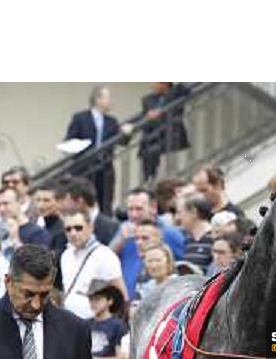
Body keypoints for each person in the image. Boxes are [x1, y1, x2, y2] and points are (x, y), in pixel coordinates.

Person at [65, 84, 132, 215]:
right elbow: (70, 139)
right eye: (108, 97)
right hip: (84, 168)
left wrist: (126, 133)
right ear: (98, 99)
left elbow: (122, 142)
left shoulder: (111, 121)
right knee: (82, 201)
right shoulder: (80, 118)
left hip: (105, 167)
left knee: (105, 202)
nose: (111, 101)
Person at [109, 187, 185, 296]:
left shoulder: (169, 233)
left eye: (139, 209)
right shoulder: (123, 230)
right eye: (130, 209)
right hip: (128, 300)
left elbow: (182, 267)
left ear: (153, 207)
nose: (134, 215)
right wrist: (120, 241)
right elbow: (107, 259)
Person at [60, 210, 126, 319]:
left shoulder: (104, 254)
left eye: (78, 228)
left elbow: (120, 293)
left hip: (95, 323)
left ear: (90, 228)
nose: (73, 233)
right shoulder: (65, 255)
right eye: (68, 229)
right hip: (69, 321)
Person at [138, 83, 190, 182]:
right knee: (148, 148)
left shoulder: (176, 91)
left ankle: (151, 180)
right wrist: (147, 117)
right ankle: (149, 180)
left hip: (172, 135)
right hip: (155, 135)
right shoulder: (147, 99)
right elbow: (145, 116)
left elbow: (186, 90)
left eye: (156, 82)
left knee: (154, 150)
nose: (152, 85)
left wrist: (160, 111)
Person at [176, 194, 213, 273]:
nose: (177, 218)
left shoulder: (214, 237)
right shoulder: (188, 240)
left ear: (194, 212)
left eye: (180, 212)